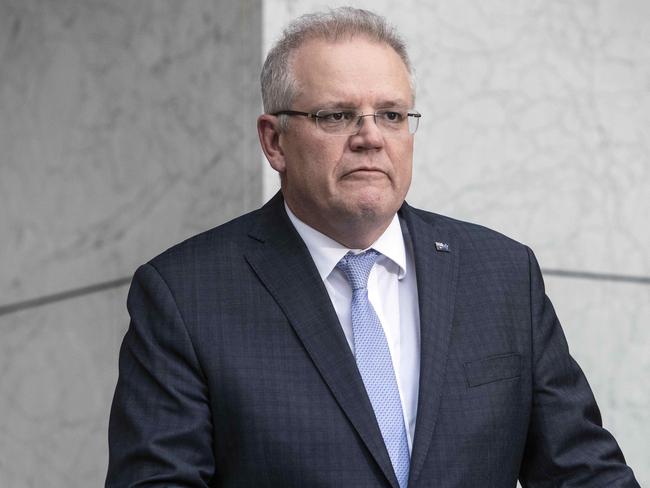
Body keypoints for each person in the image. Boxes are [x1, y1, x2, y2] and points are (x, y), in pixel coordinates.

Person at [106, 7, 640, 488]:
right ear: (274, 141)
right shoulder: (185, 295)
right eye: (336, 115)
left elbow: (583, 471)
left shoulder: (501, 274)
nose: (370, 136)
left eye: (391, 114)